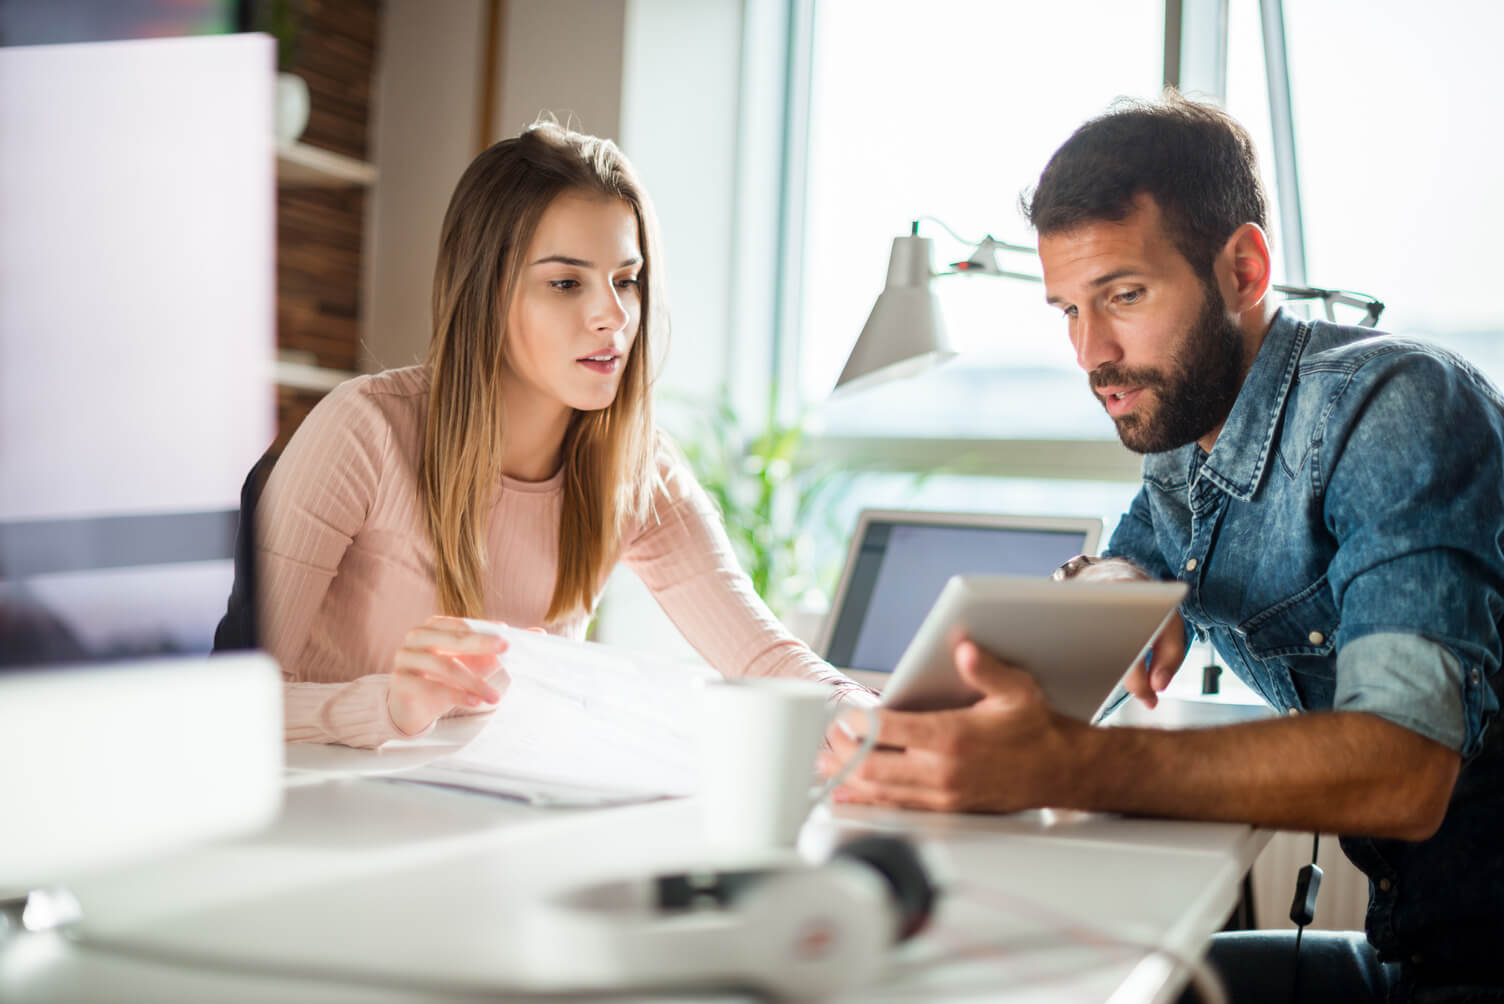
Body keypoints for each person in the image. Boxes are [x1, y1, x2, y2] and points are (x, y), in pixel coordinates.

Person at [825, 93, 1503, 1003]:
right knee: (1099, 979)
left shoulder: (1395, 409)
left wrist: (1066, 766)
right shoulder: (1188, 435)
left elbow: (1406, 765)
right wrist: (1111, 589)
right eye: (1067, 309)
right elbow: (1136, 558)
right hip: (1416, 944)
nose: (1090, 354)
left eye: (1125, 296)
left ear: (1244, 269)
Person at [249, 122, 866, 749]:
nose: (615, 316)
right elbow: (216, 702)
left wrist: (864, 711)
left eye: (626, 279)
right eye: (567, 283)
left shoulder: (634, 464)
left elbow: (762, 656)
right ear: (487, 293)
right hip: (314, 818)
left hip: (504, 812)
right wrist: (388, 706)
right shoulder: (367, 428)